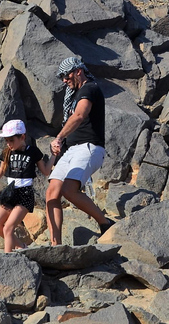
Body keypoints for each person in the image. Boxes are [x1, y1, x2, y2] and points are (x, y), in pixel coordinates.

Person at [47, 57, 114, 246]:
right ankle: (55, 245)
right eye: (61, 76)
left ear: (78, 71)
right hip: (70, 151)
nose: (64, 80)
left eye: (66, 75)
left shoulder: (89, 88)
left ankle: (105, 223)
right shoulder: (75, 94)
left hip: (89, 147)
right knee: (52, 193)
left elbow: (79, 116)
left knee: (69, 189)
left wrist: (58, 137)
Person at [0, 119, 52, 252]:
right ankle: (21, 246)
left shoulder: (33, 151)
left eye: (11, 140)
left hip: (25, 194)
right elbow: (2, 169)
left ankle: (8, 257)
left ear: (22, 137)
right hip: (11, 193)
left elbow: (45, 171)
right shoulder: (7, 152)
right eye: (6, 140)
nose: (9, 144)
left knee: (8, 227)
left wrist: (54, 156)